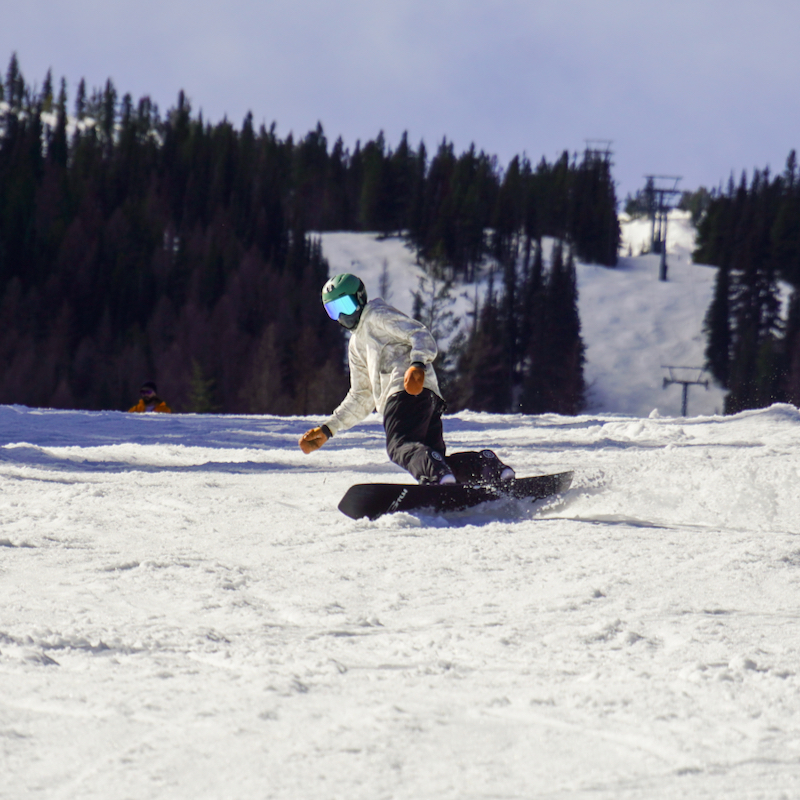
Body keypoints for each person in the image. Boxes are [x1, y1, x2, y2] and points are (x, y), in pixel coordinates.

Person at [298, 273, 514, 486]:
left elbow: (419, 334)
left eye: (345, 305)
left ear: (360, 298)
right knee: (434, 459)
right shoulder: (356, 344)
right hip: (427, 400)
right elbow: (361, 395)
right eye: (333, 310)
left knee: (400, 446)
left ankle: (437, 477)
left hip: (404, 391)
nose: (342, 316)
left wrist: (418, 364)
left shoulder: (376, 315)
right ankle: (486, 467)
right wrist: (329, 429)